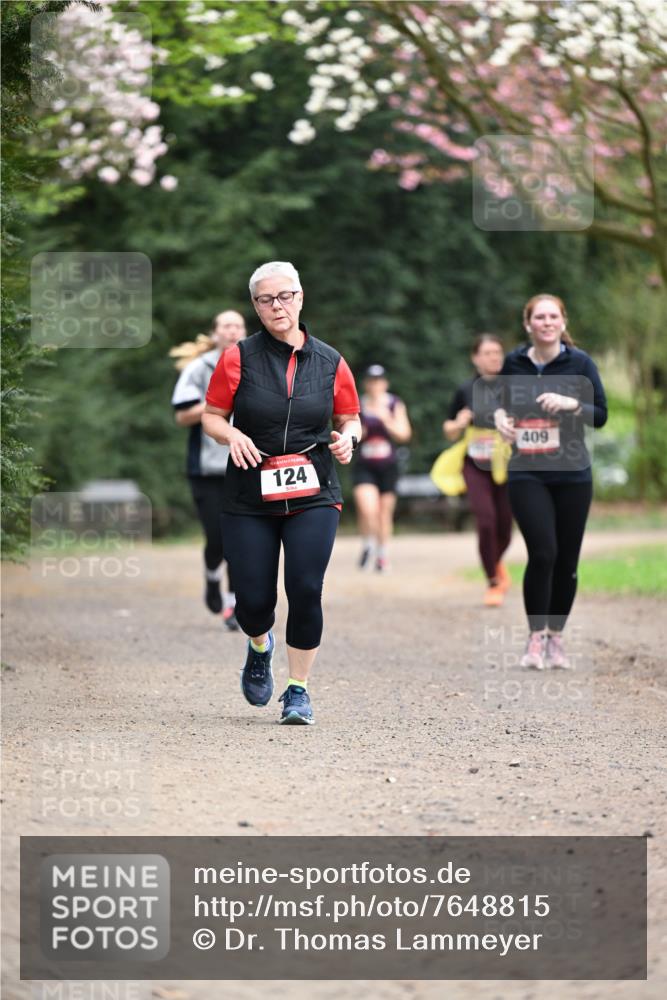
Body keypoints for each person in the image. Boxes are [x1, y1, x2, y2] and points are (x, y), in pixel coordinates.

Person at [202, 261, 361, 725]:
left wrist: (349, 436)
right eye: (267, 299)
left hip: (313, 489)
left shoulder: (331, 360)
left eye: (285, 296)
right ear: (255, 306)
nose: (278, 306)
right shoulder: (238, 357)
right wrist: (231, 436)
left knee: (306, 588)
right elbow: (212, 415)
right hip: (250, 493)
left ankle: (298, 690)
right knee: (253, 601)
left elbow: (349, 416)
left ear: (300, 297)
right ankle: (258, 644)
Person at [493, 294, 608, 669]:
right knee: (543, 552)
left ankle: (556, 638)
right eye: (539, 317)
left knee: (567, 561)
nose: (546, 322)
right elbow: (501, 403)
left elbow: (601, 415)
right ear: (528, 324)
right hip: (527, 471)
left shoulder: (580, 363)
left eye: (552, 316)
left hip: (573, 474)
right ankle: (534, 639)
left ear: (562, 321)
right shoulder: (513, 363)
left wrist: (572, 403)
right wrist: (500, 418)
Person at [170, 311, 246, 630]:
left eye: (238, 326)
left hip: (246, 463)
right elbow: (182, 415)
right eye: (226, 326)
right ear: (214, 334)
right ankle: (212, 577)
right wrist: (215, 403)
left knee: (242, 539)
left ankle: (233, 605)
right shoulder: (198, 368)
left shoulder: (255, 365)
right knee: (217, 538)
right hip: (206, 468)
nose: (232, 331)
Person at [443, 335, 513, 606]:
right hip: (475, 465)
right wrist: (459, 423)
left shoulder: (513, 388)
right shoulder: (465, 390)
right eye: (487, 353)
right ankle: (493, 581)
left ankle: (495, 564)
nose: (493, 357)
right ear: (475, 358)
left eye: (497, 352)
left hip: (507, 464)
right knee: (486, 521)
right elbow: (448, 430)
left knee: (505, 527)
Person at [352, 365, 412, 572]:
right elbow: (351, 433)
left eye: (379, 381)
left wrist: (386, 418)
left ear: (385, 383)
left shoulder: (394, 403)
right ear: (366, 384)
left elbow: (404, 434)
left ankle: (382, 555)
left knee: (384, 513)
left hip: (388, 466)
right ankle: (368, 543)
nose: (375, 385)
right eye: (371, 381)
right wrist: (362, 432)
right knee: (368, 509)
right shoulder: (358, 403)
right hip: (365, 465)